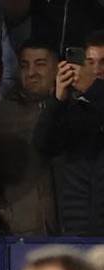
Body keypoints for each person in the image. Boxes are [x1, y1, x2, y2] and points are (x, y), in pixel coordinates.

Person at [0, 40, 59, 235]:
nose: (31, 72)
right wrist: (0, 211)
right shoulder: (1, 114)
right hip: (17, 230)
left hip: (69, 229)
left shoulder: (73, 110)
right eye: (24, 65)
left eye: (40, 64)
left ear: (58, 68)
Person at [34, 31, 104, 236]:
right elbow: (43, 145)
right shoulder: (75, 108)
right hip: (77, 228)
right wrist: (58, 100)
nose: (96, 70)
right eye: (90, 62)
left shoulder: (91, 94)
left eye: (103, 62)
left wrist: (93, 90)